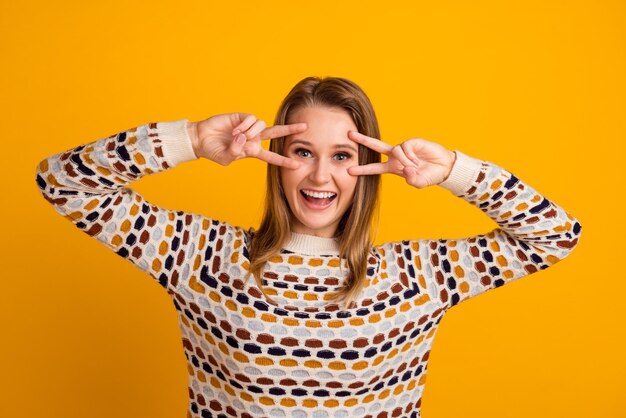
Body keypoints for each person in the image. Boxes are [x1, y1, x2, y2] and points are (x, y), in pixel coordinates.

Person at [36, 76, 582, 418]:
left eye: (343, 155)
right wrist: (193, 140)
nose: (321, 174)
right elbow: (62, 181)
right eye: (301, 150)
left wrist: (453, 171)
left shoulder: (419, 274)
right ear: (276, 158)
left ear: (366, 169)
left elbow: (556, 235)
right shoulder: (200, 256)